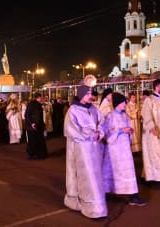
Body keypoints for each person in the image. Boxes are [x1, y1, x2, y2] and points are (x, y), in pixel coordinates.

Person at [64, 80, 107, 219]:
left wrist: (99, 133)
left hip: (95, 148)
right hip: (82, 149)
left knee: (96, 176)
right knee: (86, 176)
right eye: (88, 93)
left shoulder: (94, 109)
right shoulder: (73, 110)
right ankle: (91, 208)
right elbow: (70, 130)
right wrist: (88, 135)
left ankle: (98, 206)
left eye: (91, 93)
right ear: (82, 95)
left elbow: (102, 122)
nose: (91, 96)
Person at [103, 92, 146, 206]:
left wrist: (130, 131)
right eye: (123, 102)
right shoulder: (110, 116)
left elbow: (129, 128)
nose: (125, 104)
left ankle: (133, 195)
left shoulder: (124, 115)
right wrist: (121, 131)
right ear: (117, 103)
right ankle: (106, 193)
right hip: (114, 151)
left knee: (128, 171)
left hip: (125, 150)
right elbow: (107, 133)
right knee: (112, 172)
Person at [25, 93, 47, 159]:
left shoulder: (37, 105)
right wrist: (32, 123)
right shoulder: (32, 105)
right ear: (38, 98)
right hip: (33, 127)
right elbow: (27, 115)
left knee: (37, 140)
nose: (42, 99)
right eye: (41, 97)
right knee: (33, 141)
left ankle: (37, 154)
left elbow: (39, 116)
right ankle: (33, 154)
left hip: (37, 126)